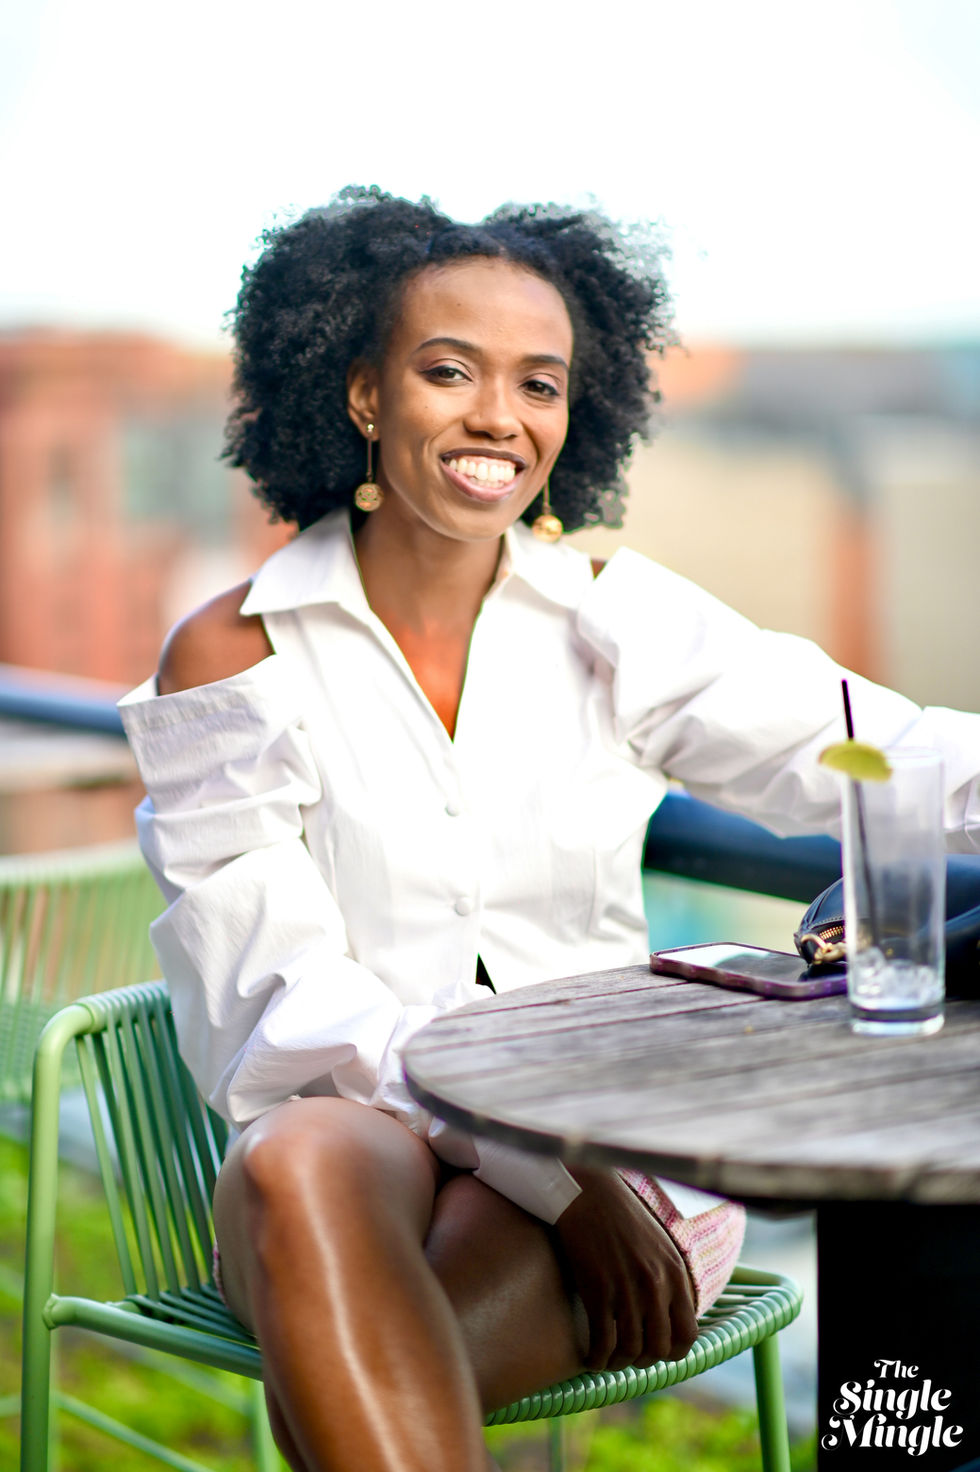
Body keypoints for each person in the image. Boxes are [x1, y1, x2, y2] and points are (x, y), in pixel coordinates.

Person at [119, 187, 980, 1472]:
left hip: (618, 1139)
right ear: (360, 393)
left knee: (355, 1361)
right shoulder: (232, 654)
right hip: (369, 1134)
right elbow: (277, 1005)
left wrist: (575, 1172)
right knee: (302, 1157)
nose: (497, 417)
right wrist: (551, 1177)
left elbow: (888, 753)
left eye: (538, 383)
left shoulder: (614, 623)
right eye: (447, 370)